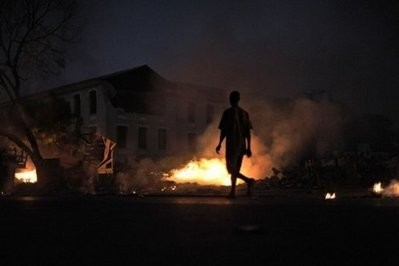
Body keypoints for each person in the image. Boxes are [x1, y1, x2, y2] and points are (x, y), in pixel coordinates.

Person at [216, 91, 255, 198]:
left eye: (231, 98)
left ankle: (249, 181)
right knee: (235, 170)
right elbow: (248, 133)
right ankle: (233, 192)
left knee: (231, 169)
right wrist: (248, 147)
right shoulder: (245, 113)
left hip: (232, 145)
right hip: (241, 146)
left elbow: (223, 131)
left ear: (233, 99)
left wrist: (219, 143)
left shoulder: (227, 113)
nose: (230, 99)